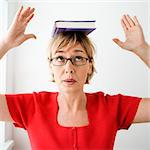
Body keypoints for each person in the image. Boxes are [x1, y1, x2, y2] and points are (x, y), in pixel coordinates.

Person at [0, 6, 150, 150]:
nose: (69, 68)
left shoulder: (112, 107)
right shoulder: (31, 106)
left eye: (78, 58)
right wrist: (5, 43)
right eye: (60, 58)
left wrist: (142, 49)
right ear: (50, 65)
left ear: (90, 65)